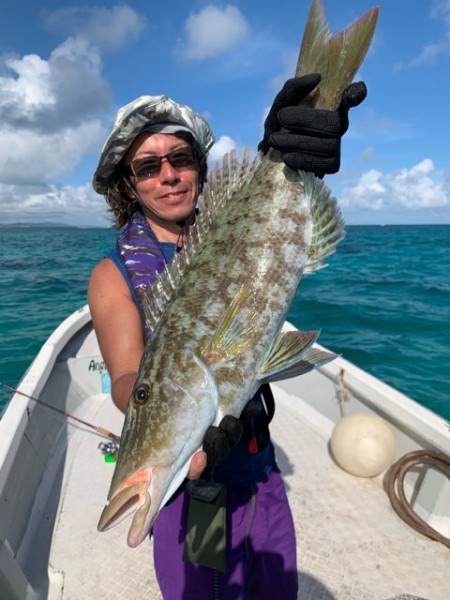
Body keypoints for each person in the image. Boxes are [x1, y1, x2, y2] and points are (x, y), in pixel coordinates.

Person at [89, 74, 366, 599]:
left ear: (199, 165)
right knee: (210, 590)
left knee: (275, 587)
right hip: (196, 491)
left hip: (258, 465)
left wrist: (289, 151)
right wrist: (166, 406)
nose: (168, 175)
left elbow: (267, 219)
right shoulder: (112, 274)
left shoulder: (228, 217)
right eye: (147, 166)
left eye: (181, 158)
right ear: (128, 184)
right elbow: (127, 377)